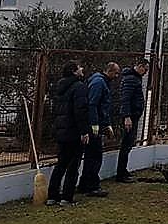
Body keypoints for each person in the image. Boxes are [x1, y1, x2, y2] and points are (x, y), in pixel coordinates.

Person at [47, 60, 89, 207]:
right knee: (73, 165)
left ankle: (52, 196)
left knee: (61, 164)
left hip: (61, 131)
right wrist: (84, 131)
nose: (82, 69)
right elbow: (81, 110)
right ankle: (66, 197)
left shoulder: (60, 87)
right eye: (79, 68)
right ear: (74, 71)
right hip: (74, 131)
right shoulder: (79, 87)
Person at [77, 62, 120, 198]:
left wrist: (107, 124)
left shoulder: (100, 81)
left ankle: (85, 184)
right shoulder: (99, 83)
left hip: (97, 123)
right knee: (95, 156)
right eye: (116, 73)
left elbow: (102, 106)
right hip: (93, 126)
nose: (117, 76)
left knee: (92, 156)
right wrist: (95, 124)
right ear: (110, 71)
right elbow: (93, 104)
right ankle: (92, 186)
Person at [115, 58, 149, 183]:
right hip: (130, 117)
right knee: (126, 144)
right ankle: (121, 173)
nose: (145, 72)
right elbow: (125, 99)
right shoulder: (130, 79)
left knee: (129, 144)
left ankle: (123, 170)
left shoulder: (134, 79)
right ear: (140, 66)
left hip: (133, 115)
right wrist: (127, 117)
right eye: (145, 69)